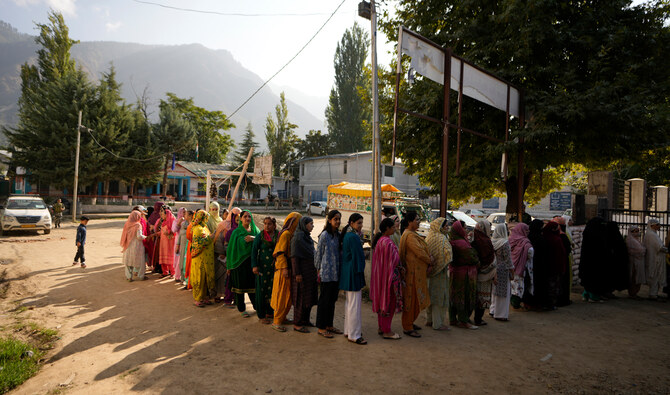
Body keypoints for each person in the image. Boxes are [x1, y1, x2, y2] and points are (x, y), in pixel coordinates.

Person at [399, 211, 431, 338]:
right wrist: (430, 260)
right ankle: (407, 327)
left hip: (416, 273)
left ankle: (410, 322)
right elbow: (420, 252)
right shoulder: (410, 236)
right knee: (411, 301)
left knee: (415, 300)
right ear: (409, 222)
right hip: (412, 274)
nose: (419, 222)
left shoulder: (412, 234)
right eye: (417, 220)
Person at [371, 217, 403, 339]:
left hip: (381, 277)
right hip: (388, 278)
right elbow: (395, 260)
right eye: (393, 227)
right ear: (387, 229)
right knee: (388, 303)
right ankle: (386, 330)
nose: (395, 229)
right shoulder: (388, 243)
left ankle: (381, 327)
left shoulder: (380, 241)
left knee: (382, 304)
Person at [271, 212, 302, 332]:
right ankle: (277, 321)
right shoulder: (286, 234)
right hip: (283, 270)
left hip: (288, 270)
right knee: (282, 296)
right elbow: (280, 253)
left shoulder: (291, 234)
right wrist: (284, 268)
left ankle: (282, 318)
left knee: (288, 297)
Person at [315, 210, 343, 338]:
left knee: (332, 301)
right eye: (335, 219)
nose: (337, 221)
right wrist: (318, 270)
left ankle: (329, 325)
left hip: (336, 274)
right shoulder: (324, 235)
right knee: (324, 301)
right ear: (329, 220)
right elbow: (319, 254)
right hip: (326, 274)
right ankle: (321, 327)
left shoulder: (338, 235)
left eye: (339, 219)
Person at [226, 210, 260, 317]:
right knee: (239, 289)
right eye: (245, 216)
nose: (247, 218)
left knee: (253, 288)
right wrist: (229, 266)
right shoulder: (236, 232)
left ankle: (256, 307)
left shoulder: (256, 231)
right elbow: (231, 249)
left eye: (249, 216)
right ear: (241, 219)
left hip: (252, 263)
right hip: (238, 264)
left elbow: (261, 241)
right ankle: (241, 309)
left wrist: (254, 239)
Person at [340, 213, 367, 345]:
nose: (361, 226)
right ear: (351, 223)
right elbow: (358, 257)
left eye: (361, 223)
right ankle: (354, 335)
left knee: (350, 304)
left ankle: (349, 331)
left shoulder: (348, 235)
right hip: (354, 273)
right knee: (354, 306)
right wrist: (360, 271)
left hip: (348, 273)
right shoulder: (353, 237)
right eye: (358, 223)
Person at [448, 221, 479, 329]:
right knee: (463, 297)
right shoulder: (461, 243)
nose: (466, 230)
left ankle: (452, 319)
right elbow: (472, 258)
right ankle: (463, 320)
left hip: (454, 271)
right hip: (464, 274)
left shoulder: (452, 240)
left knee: (454, 296)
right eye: (464, 228)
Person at [291, 216, 318, 333]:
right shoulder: (298, 238)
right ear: (304, 224)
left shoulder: (307, 237)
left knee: (309, 298)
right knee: (300, 299)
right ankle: (297, 323)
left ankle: (305, 320)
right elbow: (294, 257)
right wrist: (297, 273)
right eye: (311, 224)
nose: (312, 226)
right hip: (302, 272)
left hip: (310, 272)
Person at [425, 217, 452, 331]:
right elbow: (448, 254)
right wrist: (442, 263)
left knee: (431, 296)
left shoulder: (429, 237)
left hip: (429, 272)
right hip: (440, 273)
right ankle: (438, 323)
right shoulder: (442, 239)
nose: (447, 228)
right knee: (439, 298)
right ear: (440, 227)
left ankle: (429, 320)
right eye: (445, 226)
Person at [251, 217, 278, 324]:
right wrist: (254, 266)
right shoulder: (260, 236)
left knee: (272, 290)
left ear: (274, 225)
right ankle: (261, 315)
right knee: (262, 291)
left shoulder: (278, 235)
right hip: (262, 268)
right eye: (265, 223)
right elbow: (254, 252)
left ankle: (270, 312)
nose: (267, 226)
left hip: (274, 268)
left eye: (269, 224)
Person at [471, 220, 495, 326]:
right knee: (482, 296)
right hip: (485, 273)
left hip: (472, 271)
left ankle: (466, 317)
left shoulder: (472, 236)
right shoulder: (485, 240)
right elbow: (488, 256)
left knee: (473, 295)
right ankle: (478, 319)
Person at [191, 210, 215, 307]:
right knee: (200, 278)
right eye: (206, 217)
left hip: (206, 258)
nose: (207, 219)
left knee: (205, 278)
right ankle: (197, 299)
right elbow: (198, 244)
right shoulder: (197, 229)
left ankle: (205, 297)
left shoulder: (204, 227)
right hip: (200, 258)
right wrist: (211, 237)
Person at [490, 224, 514, 321]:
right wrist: (512, 271)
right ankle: (501, 314)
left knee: (495, 291)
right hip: (503, 269)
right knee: (504, 293)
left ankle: (493, 310)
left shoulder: (492, 242)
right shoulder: (504, 243)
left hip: (494, 268)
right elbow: (508, 259)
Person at [509, 223, 534, 309]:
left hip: (511, 267)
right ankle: (517, 303)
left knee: (513, 286)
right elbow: (530, 254)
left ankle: (513, 303)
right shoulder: (526, 243)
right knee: (520, 286)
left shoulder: (510, 240)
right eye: (526, 230)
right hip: (522, 268)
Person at [542, 221, 567, 309]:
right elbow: (561, 254)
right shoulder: (557, 240)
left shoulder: (543, 238)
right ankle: (551, 304)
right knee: (553, 286)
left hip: (545, 267)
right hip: (555, 267)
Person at [644, 218, 668, 300]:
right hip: (655, 258)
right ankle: (653, 294)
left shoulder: (652, 234)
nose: (659, 226)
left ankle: (655, 293)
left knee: (656, 275)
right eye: (657, 225)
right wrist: (667, 249)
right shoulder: (651, 235)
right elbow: (660, 247)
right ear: (652, 225)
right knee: (655, 275)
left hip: (655, 257)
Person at [121, 210, 147, 281]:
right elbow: (139, 236)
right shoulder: (138, 225)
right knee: (140, 261)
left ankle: (129, 276)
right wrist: (145, 237)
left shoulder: (127, 224)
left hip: (128, 244)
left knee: (128, 261)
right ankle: (141, 276)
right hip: (137, 245)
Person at [626, 225, 646, 299]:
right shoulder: (630, 240)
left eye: (637, 231)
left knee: (637, 278)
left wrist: (643, 250)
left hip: (639, 261)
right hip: (634, 262)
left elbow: (642, 250)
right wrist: (643, 250)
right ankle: (632, 293)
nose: (637, 233)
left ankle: (635, 293)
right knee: (634, 277)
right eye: (635, 231)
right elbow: (640, 251)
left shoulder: (636, 240)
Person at [159, 206, 176, 278]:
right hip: (163, 242)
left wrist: (169, 232)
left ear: (167, 214)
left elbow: (175, 230)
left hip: (170, 242)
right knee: (163, 255)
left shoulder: (172, 220)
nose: (161, 215)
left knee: (169, 256)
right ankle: (165, 272)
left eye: (162, 214)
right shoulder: (163, 221)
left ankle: (172, 272)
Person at [172, 207, 187, 282]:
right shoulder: (176, 221)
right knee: (178, 259)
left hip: (185, 242)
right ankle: (177, 276)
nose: (184, 214)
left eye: (185, 212)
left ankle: (183, 276)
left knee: (184, 258)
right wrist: (179, 223)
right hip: (178, 241)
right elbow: (174, 230)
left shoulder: (188, 221)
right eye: (183, 212)